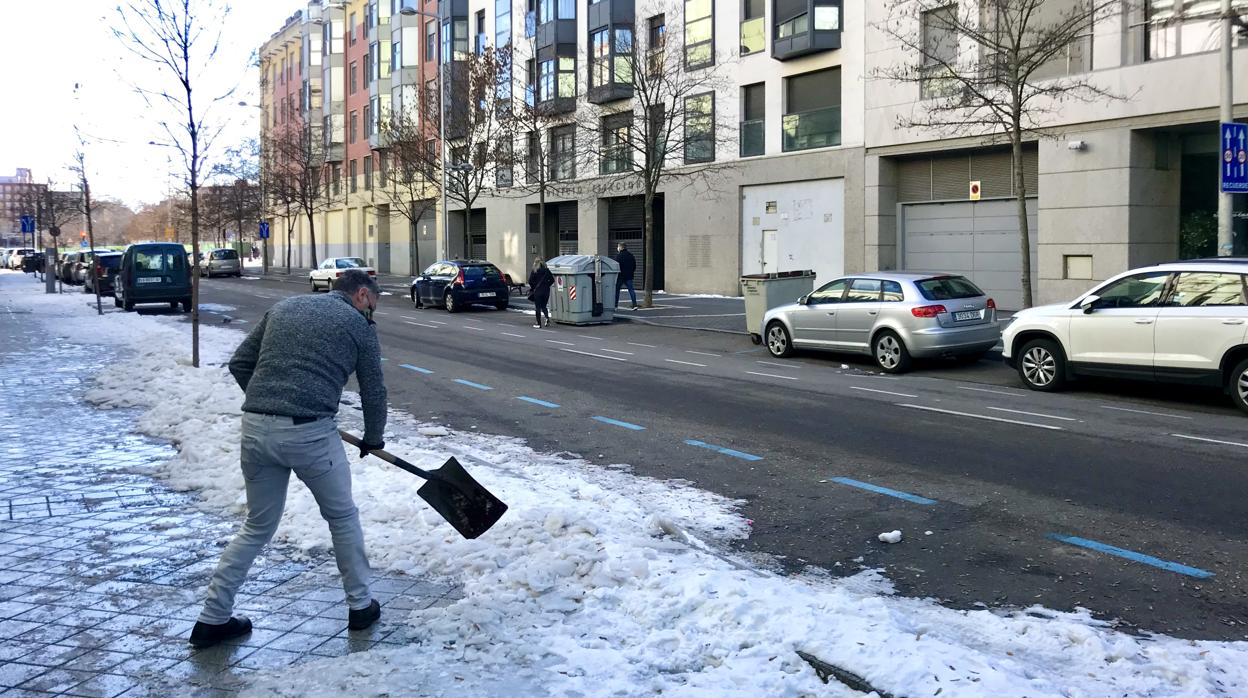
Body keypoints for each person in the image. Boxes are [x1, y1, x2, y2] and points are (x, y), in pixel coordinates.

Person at [189, 269, 388, 649]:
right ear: (362, 295)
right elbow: (374, 392)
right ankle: (361, 607)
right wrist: (373, 438)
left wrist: (271, 406)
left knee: (257, 526)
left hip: (256, 429)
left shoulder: (284, 307)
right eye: (373, 307)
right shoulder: (358, 325)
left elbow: (239, 364)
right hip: (311, 433)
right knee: (342, 517)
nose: (371, 315)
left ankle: (212, 619)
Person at [528, 257, 554, 328]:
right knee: (544, 306)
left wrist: (534, 287)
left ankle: (538, 323)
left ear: (535, 263)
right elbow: (552, 280)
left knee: (538, 307)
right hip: (546, 291)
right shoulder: (547, 270)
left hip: (538, 291)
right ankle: (547, 318)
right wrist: (547, 285)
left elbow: (530, 281)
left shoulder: (534, 270)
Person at [614, 243, 637, 310]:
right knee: (631, 290)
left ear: (620, 247)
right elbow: (634, 265)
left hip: (620, 276)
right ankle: (634, 304)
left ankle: (615, 305)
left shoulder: (619, 256)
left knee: (617, 290)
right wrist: (631, 272)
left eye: (618, 247)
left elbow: (617, 266)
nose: (617, 248)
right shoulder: (631, 255)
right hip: (629, 276)